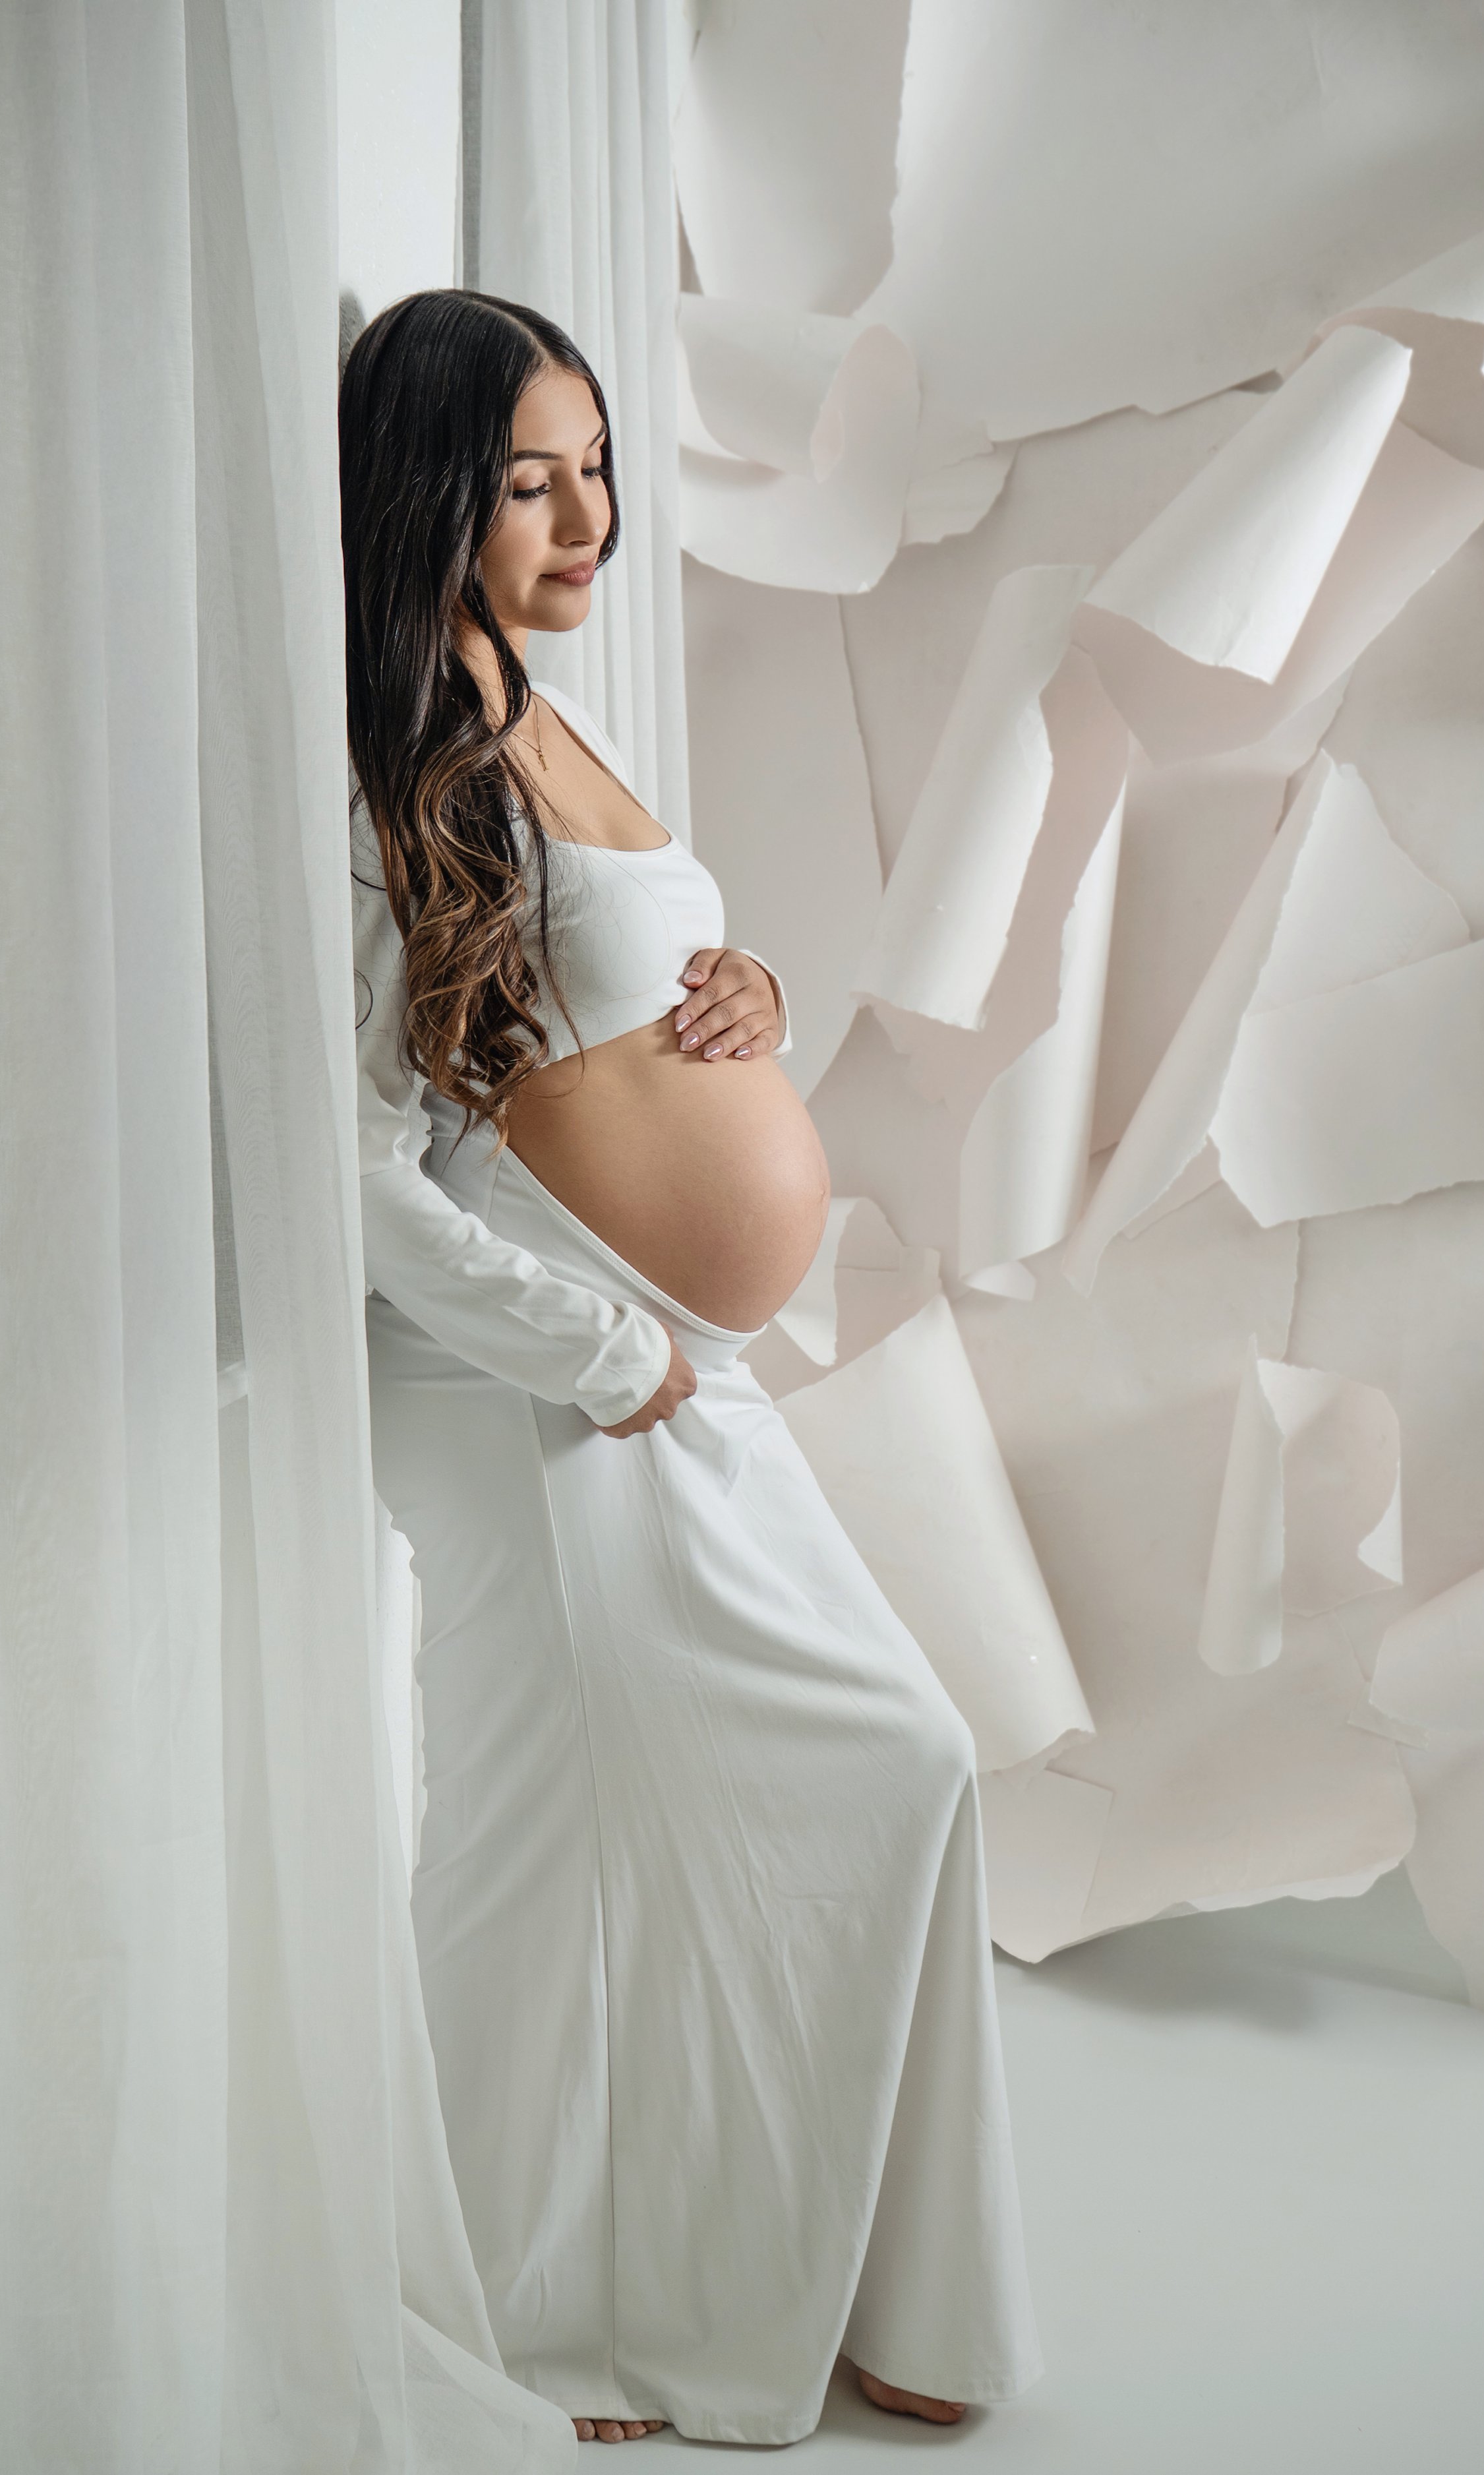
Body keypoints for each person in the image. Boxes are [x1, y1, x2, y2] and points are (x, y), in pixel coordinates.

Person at [340, 288, 1042, 2448]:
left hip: (648, 1374)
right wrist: (592, 1341)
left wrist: (739, 989)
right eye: (528, 479)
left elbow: (607, 1010)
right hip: (534, 1382)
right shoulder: (395, 771)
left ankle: (831, 2285)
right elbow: (350, 1164)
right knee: (538, 1860)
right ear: (431, 500)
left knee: (884, 1765)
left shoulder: (545, 707)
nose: (585, 515)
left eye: (596, 462)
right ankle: (516, 2321)